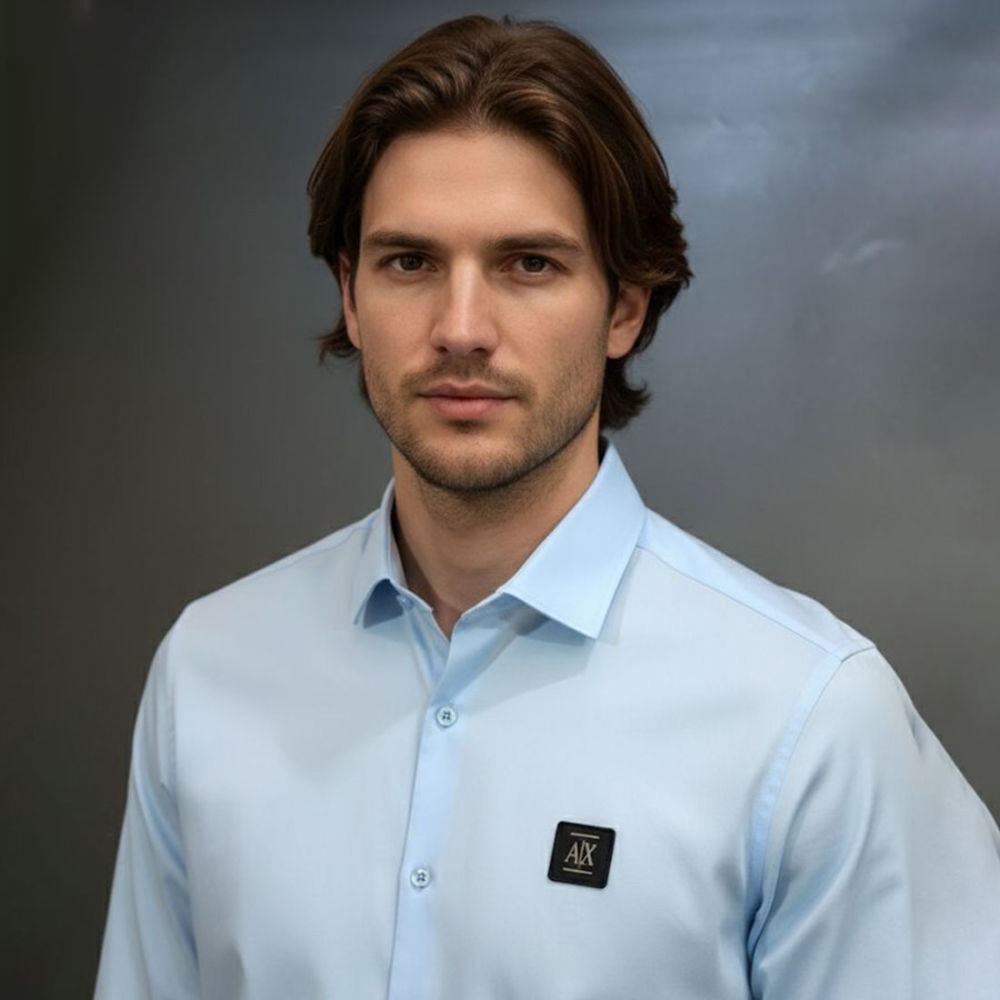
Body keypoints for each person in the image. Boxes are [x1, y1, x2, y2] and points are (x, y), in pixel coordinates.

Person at [94, 14, 1000, 999]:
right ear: (351, 297)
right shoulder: (208, 674)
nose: (461, 329)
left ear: (626, 306)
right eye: (410, 262)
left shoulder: (811, 719)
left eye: (529, 263)